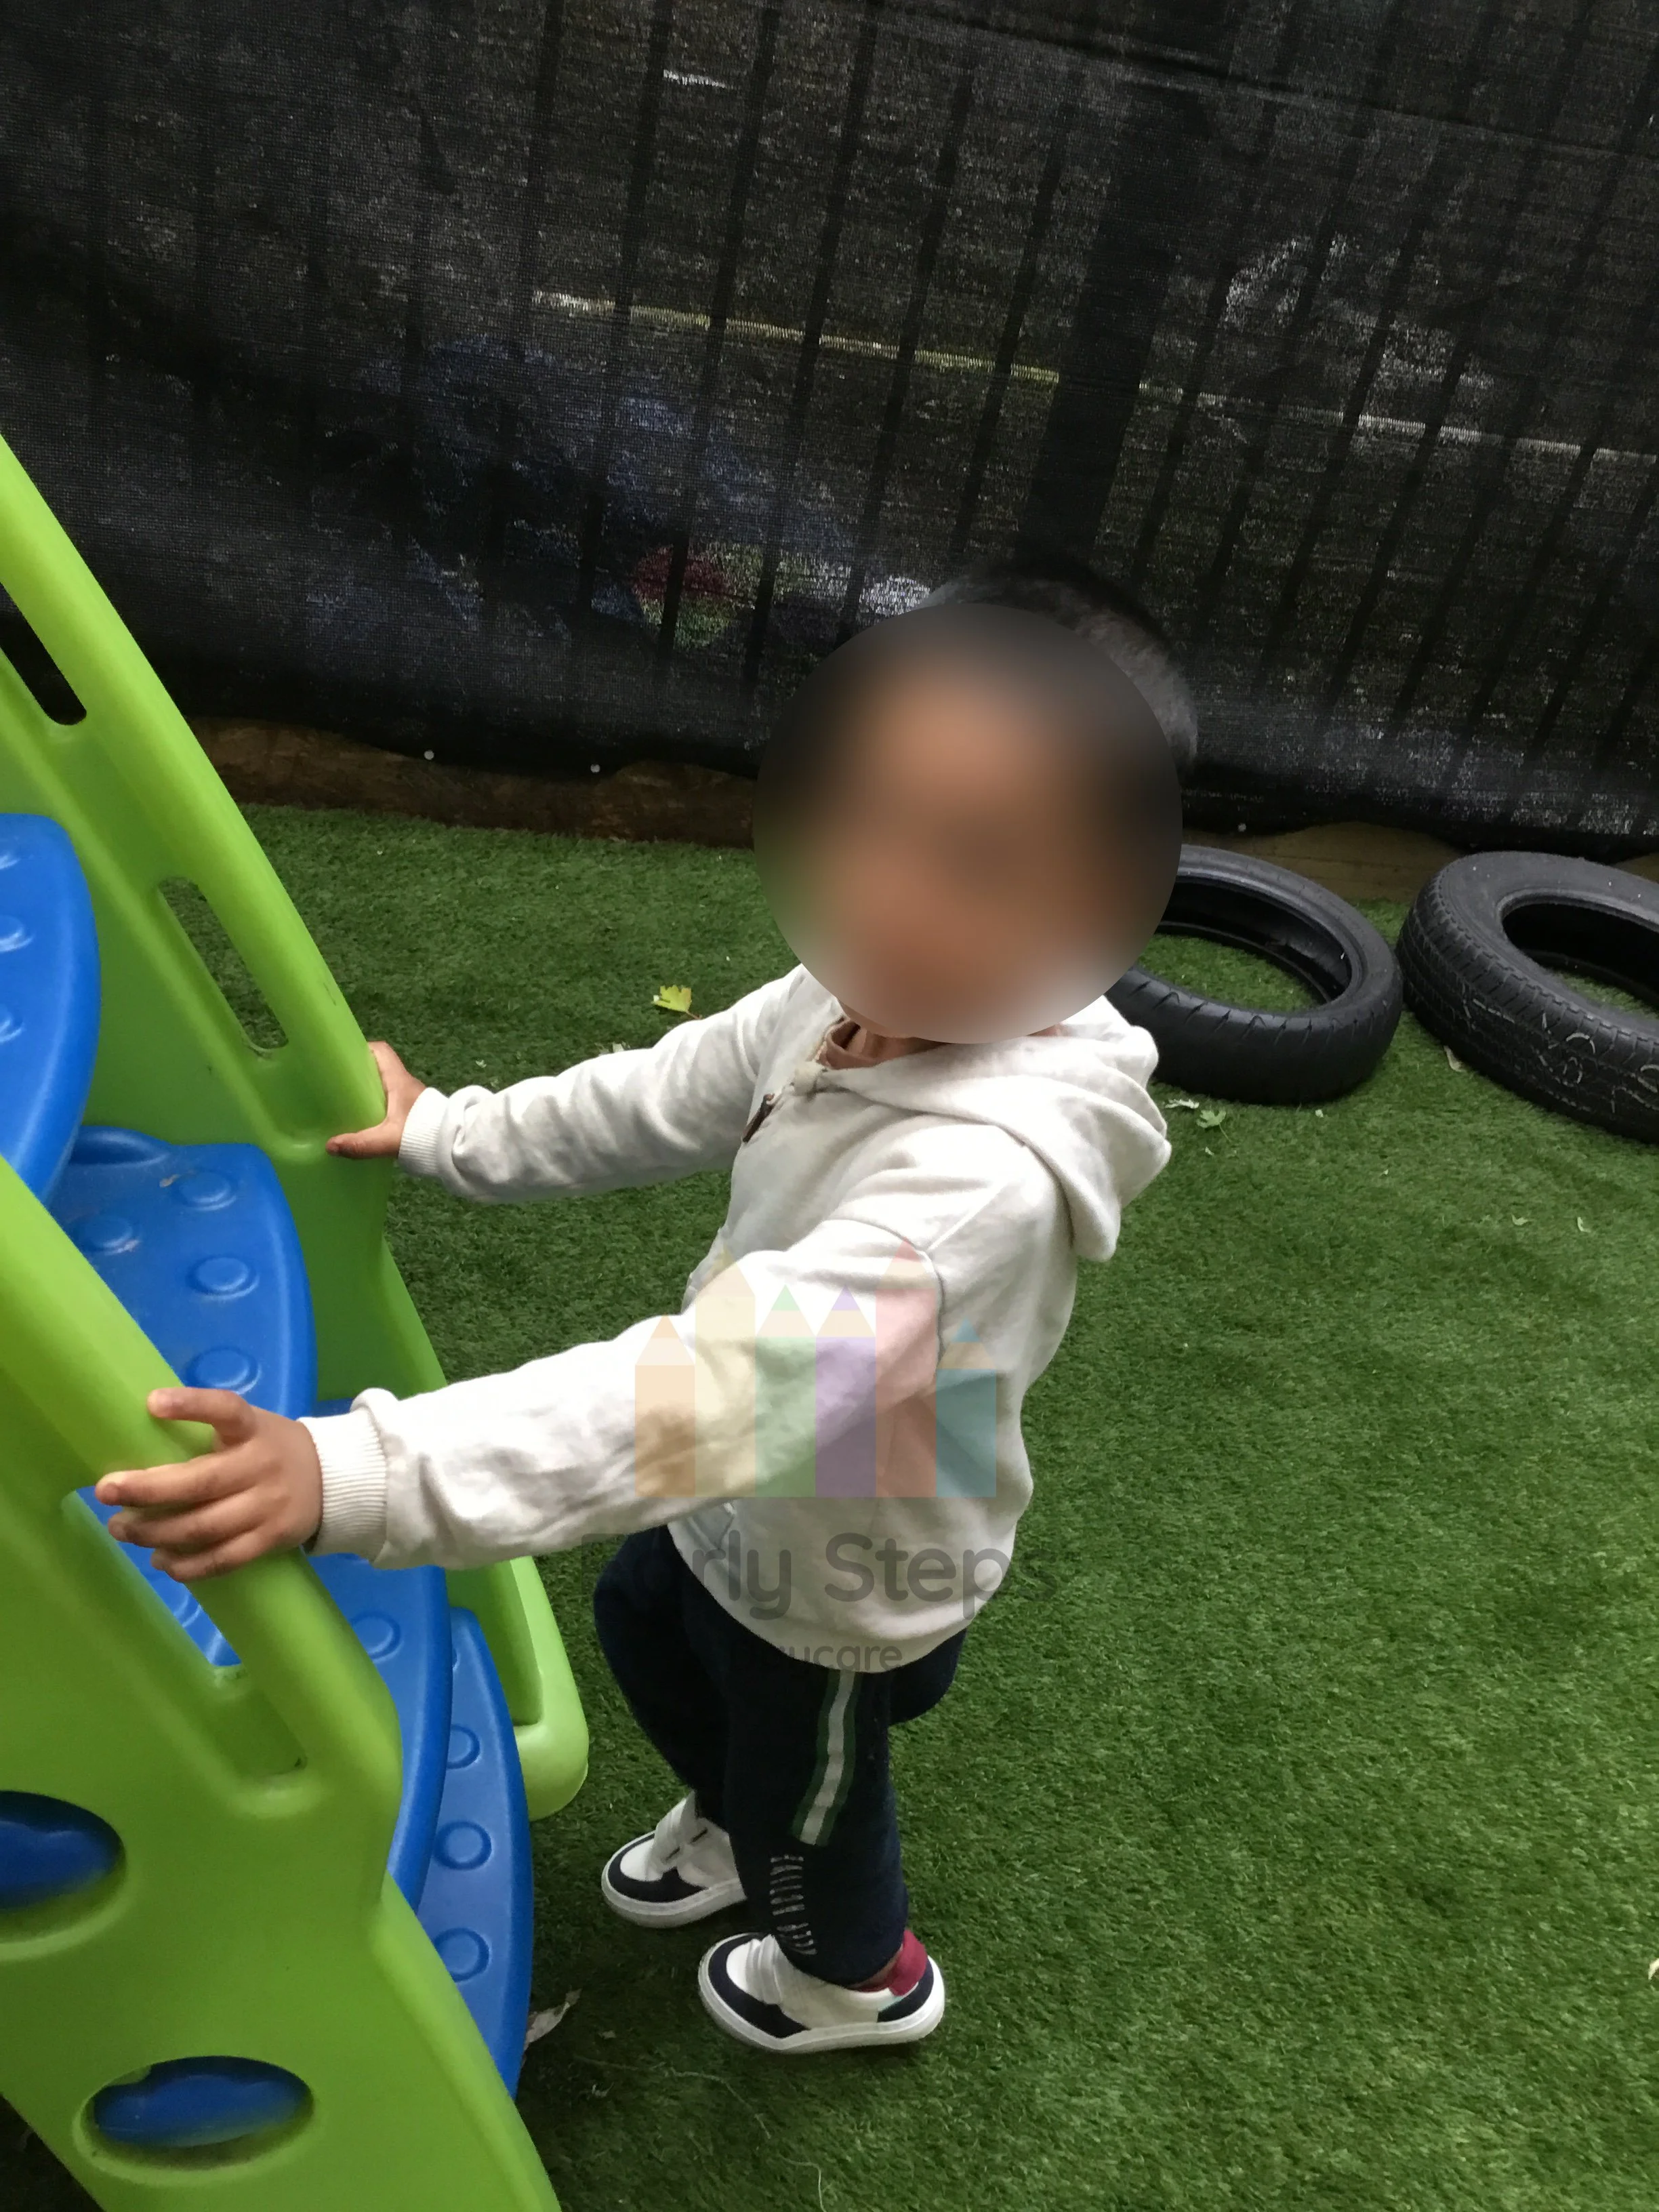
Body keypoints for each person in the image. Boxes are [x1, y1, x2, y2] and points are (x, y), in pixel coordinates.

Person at [94, 561, 1195, 2055]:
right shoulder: (853, 987)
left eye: (977, 865)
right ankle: (740, 1824)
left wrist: (345, 1472)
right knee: (647, 1620)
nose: (883, 890)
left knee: (813, 1791)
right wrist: (452, 1132)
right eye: (865, 818)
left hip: (850, 1555)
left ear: (1104, 903)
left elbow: (700, 1398)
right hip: (765, 1481)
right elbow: (663, 1090)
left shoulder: (978, 1188)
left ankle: (856, 1976)